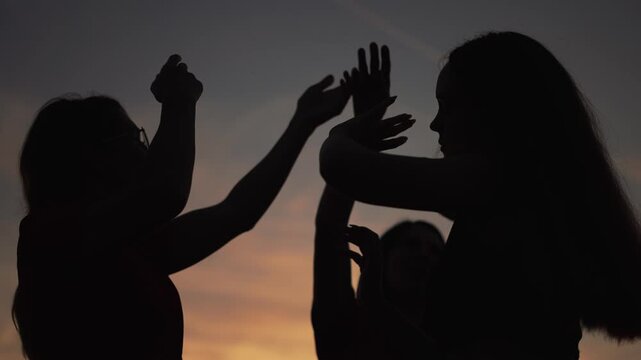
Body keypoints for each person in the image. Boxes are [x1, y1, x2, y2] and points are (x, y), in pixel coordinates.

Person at [320, 33, 641, 359]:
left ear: (494, 109)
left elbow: (338, 165)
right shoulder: (530, 202)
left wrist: (345, 133)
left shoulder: (501, 178)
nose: (435, 124)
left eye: (448, 106)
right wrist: (377, 306)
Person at [13, 54, 350, 359]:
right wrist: (180, 102)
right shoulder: (49, 235)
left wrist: (301, 124)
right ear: (93, 158)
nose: (147, 152)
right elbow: (164, 190)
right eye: (135, 139)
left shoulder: (132, 250)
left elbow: (237, 212)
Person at [312, 44, 445, 359]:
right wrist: (361, 133)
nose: (424, 256)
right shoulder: (348, 325)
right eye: (412, 245)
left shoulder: (459, 340)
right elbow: (330, 228)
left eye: (435, 251)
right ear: (379, 259)